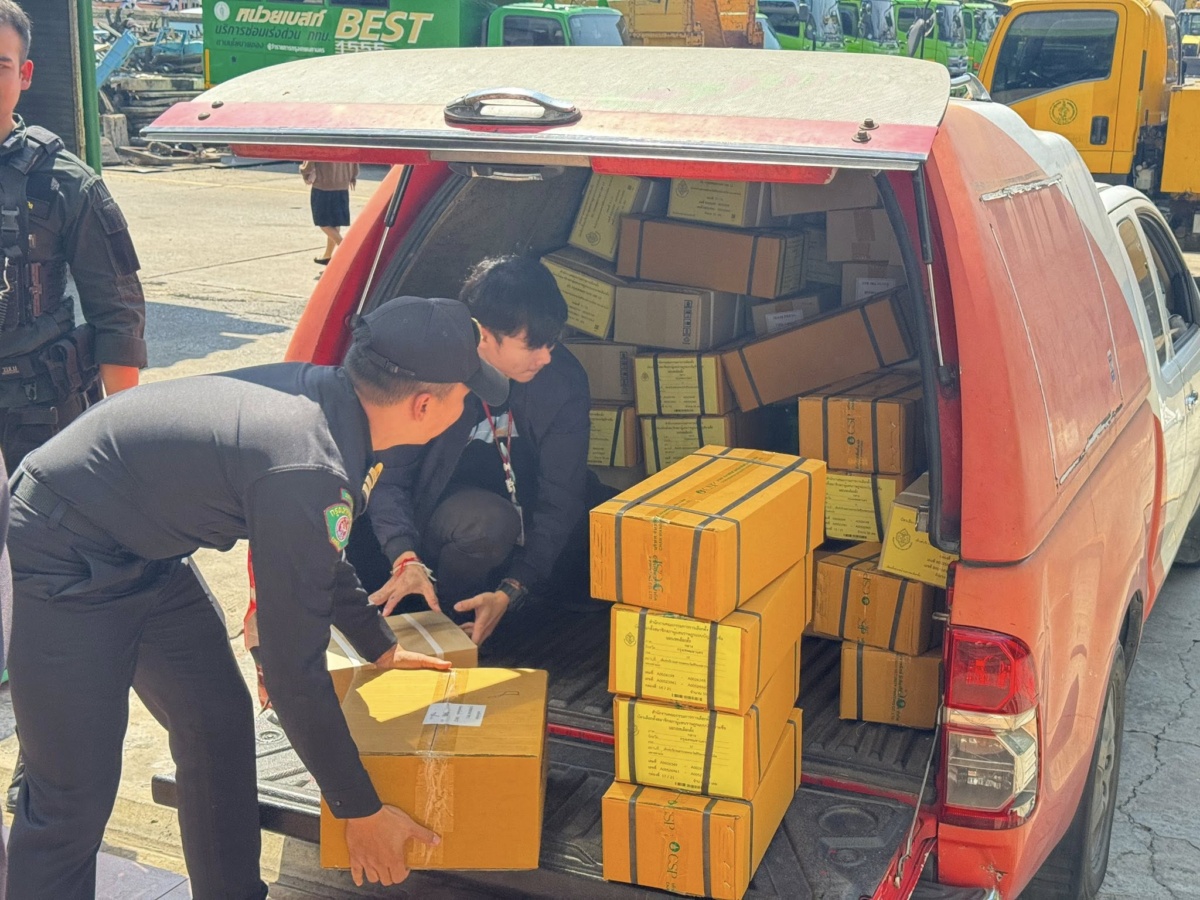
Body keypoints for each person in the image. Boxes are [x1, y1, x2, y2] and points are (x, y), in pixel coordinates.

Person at [4, 296, 509, 900]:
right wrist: (360, 810)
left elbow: (319, 556)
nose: (467, 407)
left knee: (215, 720)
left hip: (145, 544)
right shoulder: (308, 465)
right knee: (71, 796)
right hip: (64, 545)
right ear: (424, 405)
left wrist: (380, 647)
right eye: (464, 395)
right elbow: (295, 671)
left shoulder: (335, 410)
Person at [0, 0, 147, 813]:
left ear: (24, 75)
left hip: (41, 421)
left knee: (51, 602)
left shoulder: (63, 182)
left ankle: (43, 758)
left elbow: (118, 315)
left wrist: (117, 453)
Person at [353, 256, 606, 647]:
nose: (546, 356)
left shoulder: (561, 380)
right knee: (487, 522)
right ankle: (451, 622)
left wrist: (514, 588)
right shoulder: (431, 369)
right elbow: (388, 476)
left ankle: (507, 609)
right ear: (484, 336)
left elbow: (562, 494)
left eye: (553, 341)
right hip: (439, 515)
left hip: (527, 514)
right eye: (532, 345)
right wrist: (404, 555)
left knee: (611, 517)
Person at [300, 160, 358, 266]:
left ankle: (345, 247)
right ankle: (327, 255)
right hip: (342, 184)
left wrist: (305, 171)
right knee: (335, 222)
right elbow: (354, 158)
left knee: (322, 221)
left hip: (323, 184)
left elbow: (312, 157)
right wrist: (353, 175)